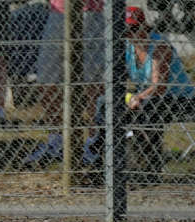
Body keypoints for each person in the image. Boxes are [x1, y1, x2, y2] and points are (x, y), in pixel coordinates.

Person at [83, 6, 195, 176]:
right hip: (147, 98)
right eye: (125, 30)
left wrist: (137, 97)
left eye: (134, 28)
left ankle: (147, 169)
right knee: (104, 101)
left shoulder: (159, 46)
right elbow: (117, 81)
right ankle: (100, 158)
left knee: (146, 106)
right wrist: (126, 96)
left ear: (144, 26)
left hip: (179, 100)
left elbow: (159, 87)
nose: (130, 34)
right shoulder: (126, 48)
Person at [23, 0, 106, 165]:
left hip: (89, 12)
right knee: (46, 80)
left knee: (92, 85)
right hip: (58, 13)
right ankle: (56, 141)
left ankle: (94, 143)